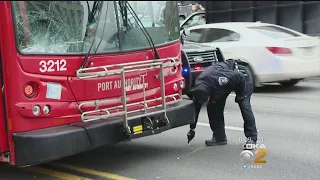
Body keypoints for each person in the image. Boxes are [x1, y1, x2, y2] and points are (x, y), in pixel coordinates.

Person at [187, 59, 258, 149]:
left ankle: (251, 138)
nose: (205, 103)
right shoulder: (198, 90)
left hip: (240, 76)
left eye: (206, 100)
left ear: (209, 93)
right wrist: (192, 129)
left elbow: (239, 77)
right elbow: (195, 111)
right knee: (213, 107)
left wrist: (240, 95)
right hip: (222, 84)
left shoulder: (219, 79)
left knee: (244, 105)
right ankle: (219, 137)